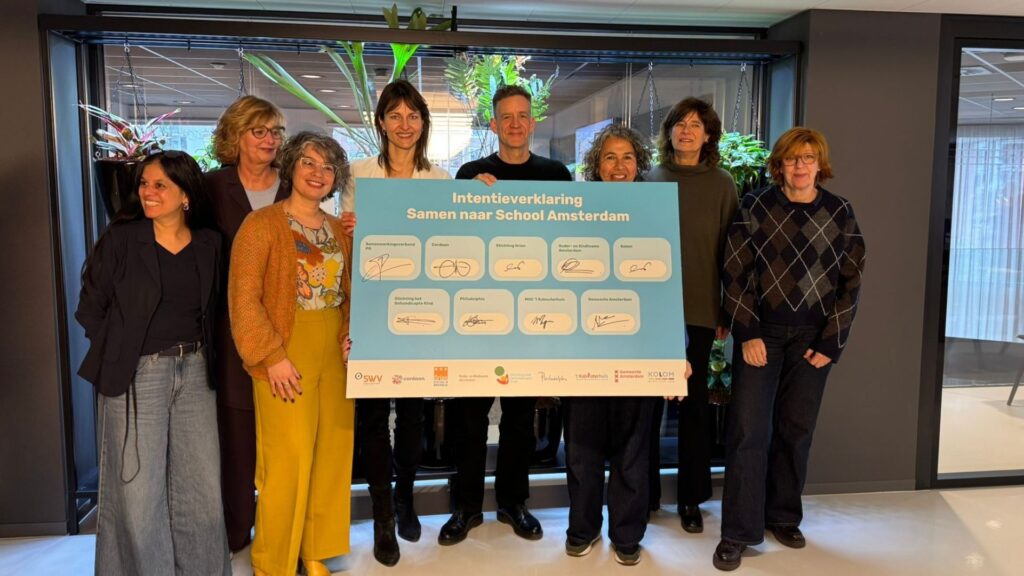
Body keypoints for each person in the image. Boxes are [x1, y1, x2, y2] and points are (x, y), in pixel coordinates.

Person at [713, 127, 866, 571]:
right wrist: (748, 332)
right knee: (747, 433)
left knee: (796, 431)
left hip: (812, 340)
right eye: (792, 159)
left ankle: (782, 517)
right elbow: (734, 272)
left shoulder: (840, 212)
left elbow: (852, 280)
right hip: (762, 335)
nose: (800, 166)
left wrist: (830, 342)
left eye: (808, 158)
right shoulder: (755, 206)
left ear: (820, 165)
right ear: (779, 165)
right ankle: (738, 532)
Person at [76, 151, 229, 575]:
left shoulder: (210, 242)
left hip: (195, 372)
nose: (148, 192)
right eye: (144, 183)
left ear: (186, 194)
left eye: (160, 185)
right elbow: (90, 307)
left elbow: (216, 311)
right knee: (138, 493)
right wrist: (122, 351)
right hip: (138, 374)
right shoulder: (123, 238)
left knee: (201, 491)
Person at [439, 84, 573, 546]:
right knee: (469, 418)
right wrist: (470, 199)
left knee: (519, 417)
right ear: (494, 124)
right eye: (506, 117)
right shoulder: (471, 174)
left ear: (532, 123)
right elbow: (455, 238)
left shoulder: (556, 175)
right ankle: (466, 507)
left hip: (532, 316)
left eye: (522, 116)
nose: (515, 124)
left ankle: (514, 503)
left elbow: (565, 241)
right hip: (478, 314)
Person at [563, 124, 692, 567]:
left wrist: (677, 352)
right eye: (609, 157)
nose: (619, 166)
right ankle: (581, 530)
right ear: (596, 166)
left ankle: (627, 536)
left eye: (627, 157)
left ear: (639, 164)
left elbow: (670, 286)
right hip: (583, 350)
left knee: (634, 451)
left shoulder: (657, 213)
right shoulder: (574, 211)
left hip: (641, 350)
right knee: (581, 450)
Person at [228, 131, 354, 576]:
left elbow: (350, 293)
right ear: (291, 167)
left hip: (333, 351)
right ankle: (273, 562)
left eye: (328, 167)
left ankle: (315, 551)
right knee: (287, 460)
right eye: (309, 163)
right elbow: (244, 299)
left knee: (332, 452)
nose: (319, 173)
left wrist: (350, 333)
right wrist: (271, 356)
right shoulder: (260, 225)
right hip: (285, 347)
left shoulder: (338, 229)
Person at [340, 79, 451, 567]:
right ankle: (382, 516)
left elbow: (450, 241)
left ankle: (406, 497)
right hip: (369, 310)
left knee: (412, 416)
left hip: (421, 311)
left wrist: (482, 196)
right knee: (371, 417)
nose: (404, 125)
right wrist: (349, 229)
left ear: (423, 123)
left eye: (413, 116)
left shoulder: (440, 180)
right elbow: (340, 238)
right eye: (395, 115)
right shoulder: (356, 174)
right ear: (381, 122)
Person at [645, 96, 738, 533]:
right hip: (651, 311)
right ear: (669, 132)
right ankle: (644, 494)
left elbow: (732, 252)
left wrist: (727, 308)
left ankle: (690, 499)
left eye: (696, 125)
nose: (686, 131)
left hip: (701, 309)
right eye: (680, 123)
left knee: (695, 409)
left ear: (708, 135)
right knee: (646, 407)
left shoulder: (723, 184)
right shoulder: (650, 179)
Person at [205, 94, 289, 553]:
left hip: (291, 328)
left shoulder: (294, 184)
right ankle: (237, 532)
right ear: (235, 136)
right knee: (237, 437)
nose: (270, 140)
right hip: (231, 328)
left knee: (284, 437)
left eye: (275, 132)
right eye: (259, 131)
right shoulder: (211, 188)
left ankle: (281, 534)